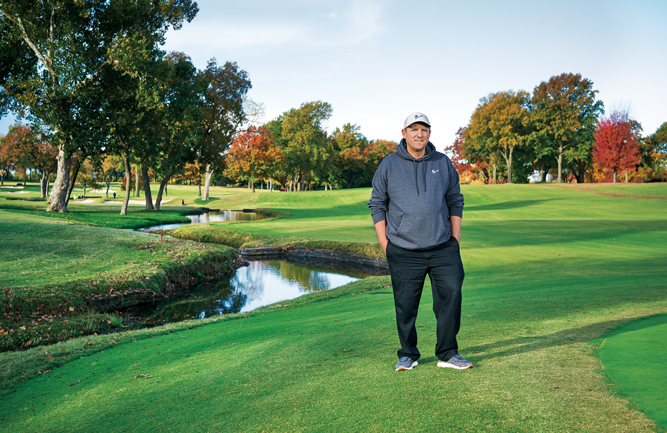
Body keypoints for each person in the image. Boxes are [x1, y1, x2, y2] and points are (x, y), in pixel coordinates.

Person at [368, 112, 472, 371]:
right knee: (405, 305)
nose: (419, 134)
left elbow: (455, 200)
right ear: (404, 133)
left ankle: (447, 353)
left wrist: (455, 240)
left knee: (452, 294)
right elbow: (377, 204)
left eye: (424, 129)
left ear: (429, 133)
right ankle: (408, 354)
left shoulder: (443, 162)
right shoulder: (389, 165)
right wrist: (385, 244)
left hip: (442, 247)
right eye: (413, 129)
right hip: (403, 249)